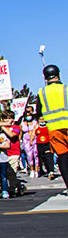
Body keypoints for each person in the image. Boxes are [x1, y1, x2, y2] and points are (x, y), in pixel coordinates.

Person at [36, 65, 68, 193]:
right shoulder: (66, 89)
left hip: (54, 129)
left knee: (63, 159)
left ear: (45, 77)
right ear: (58, 75)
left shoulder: (42, 93)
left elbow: (38, 112)